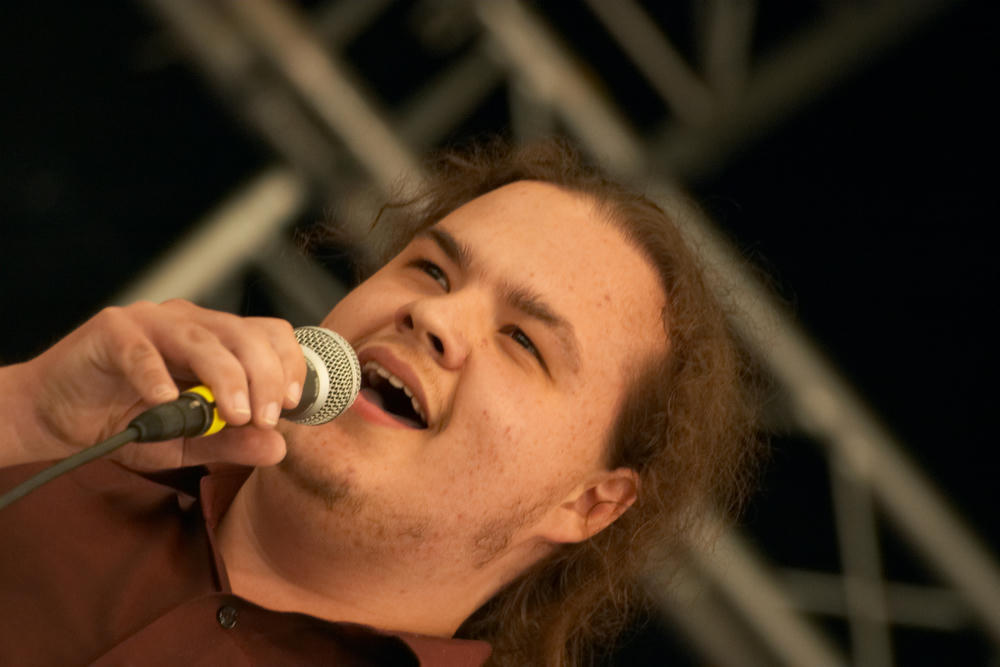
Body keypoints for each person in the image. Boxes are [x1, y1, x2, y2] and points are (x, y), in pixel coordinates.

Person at [0, 139, 761, 666]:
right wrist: (20, 415)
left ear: (590, 504)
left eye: (523, 341)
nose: (435, 316)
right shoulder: (53, 454)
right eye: (431, 270)